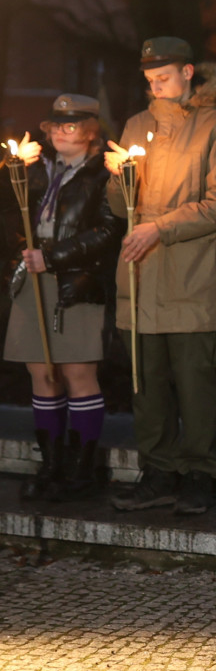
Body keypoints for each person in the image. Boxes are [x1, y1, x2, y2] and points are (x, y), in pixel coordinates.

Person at [104, 36, 216, 515]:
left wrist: (159, 228)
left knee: (195, 385)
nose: (155, 87)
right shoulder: (136, 126)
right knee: (147, 386)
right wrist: (119, 180)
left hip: (193, 283)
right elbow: (116, 206)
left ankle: (200, 474)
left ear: (188, 72)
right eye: (148, 81)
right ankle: (158, 472)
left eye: (162, 78)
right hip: (140, 283)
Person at [2, 94, 123, 500]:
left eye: (69, 126)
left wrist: (51, 256)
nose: (57, 133)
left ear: (91, 131)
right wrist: (11, 168)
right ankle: (51, 465)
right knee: (42, 373)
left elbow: (109, 231)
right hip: (33, 281)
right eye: (54, 126)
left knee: (77, 374)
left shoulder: (104, 173)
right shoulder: (38, 170)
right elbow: (11, 209)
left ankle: (82, 470)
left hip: (76, 283)